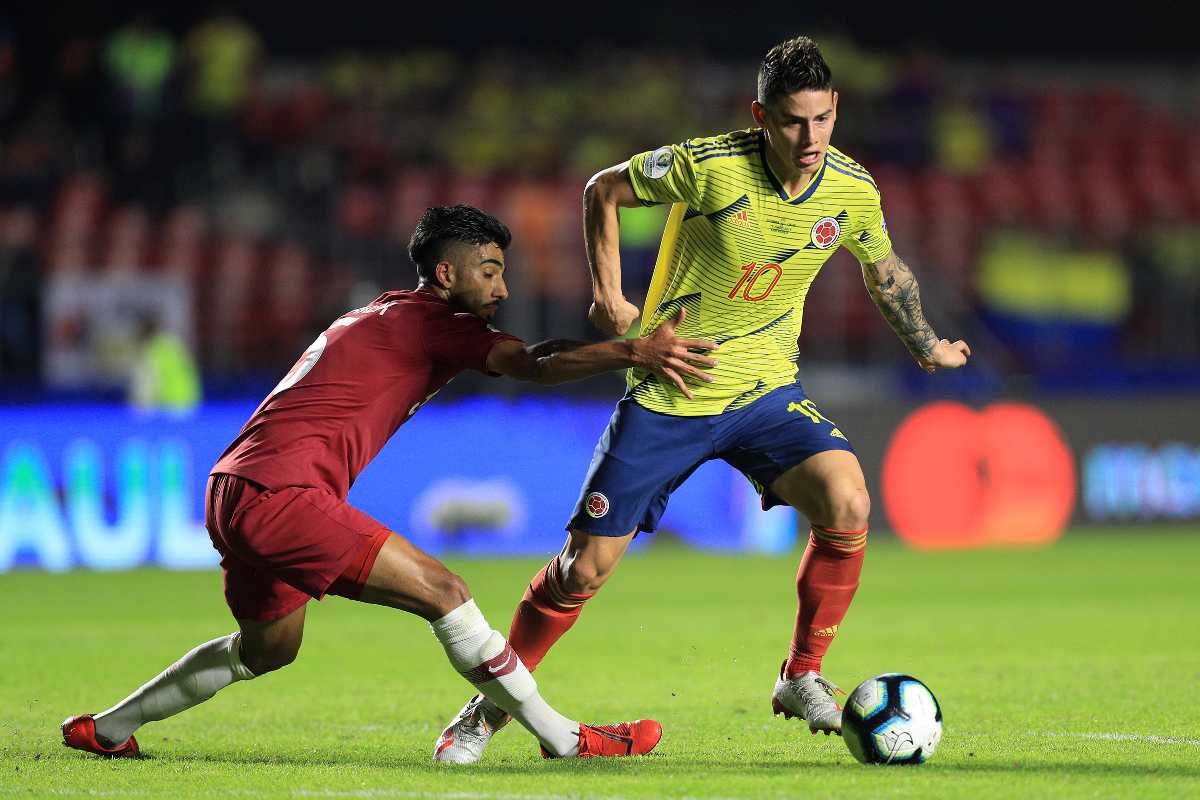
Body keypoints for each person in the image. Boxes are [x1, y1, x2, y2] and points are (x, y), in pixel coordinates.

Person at [434, 36, 971, 762]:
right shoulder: (710, 166)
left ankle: (801, 675)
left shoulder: (852, 190)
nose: (807, 138)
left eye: (820, 119)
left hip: (765, 390)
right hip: (670, 390)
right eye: (789, 121)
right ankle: (487, 710)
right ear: (760, 115)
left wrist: (927, 344)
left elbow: (887, 273)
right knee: (580, 570)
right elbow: (604, 189)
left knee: (847, 500)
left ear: (835, 110)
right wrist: (610, 297)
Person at [62, 204, 720, 761]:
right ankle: (566, 739)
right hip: (283, 494)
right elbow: (533, 365)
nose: (503, 289)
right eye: (489, 272)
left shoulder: (382, 312)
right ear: (446, 273)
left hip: (232, 489)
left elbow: (524, 354)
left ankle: (109, 729)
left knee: (268, 650)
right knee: (447, 591)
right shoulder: (437, 322)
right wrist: (633, 351)